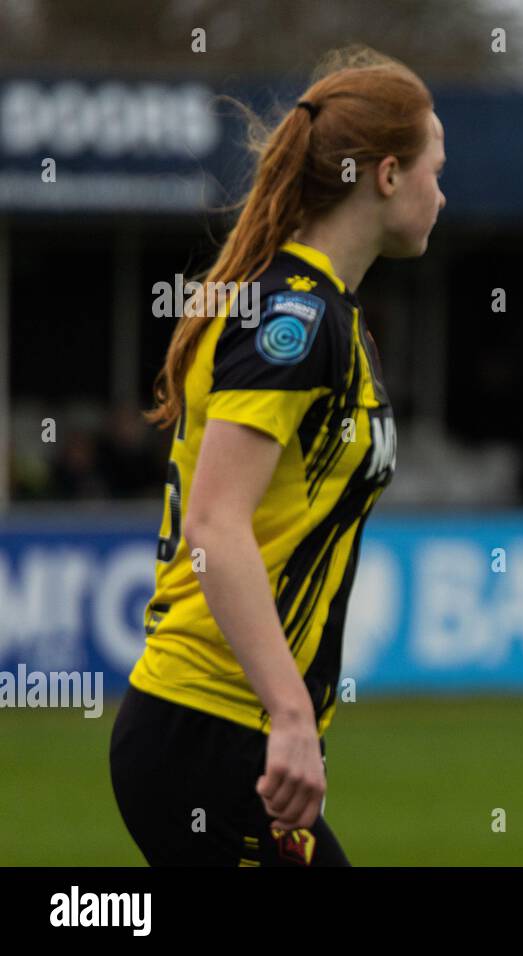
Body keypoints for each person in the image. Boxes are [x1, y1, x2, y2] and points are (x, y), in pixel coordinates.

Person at [110, 46, 446, 866]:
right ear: (389, 174)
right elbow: (216, 524)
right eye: (439, 168)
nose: (445, 192)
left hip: (222, 730)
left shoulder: (325, 311)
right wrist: (291, 714)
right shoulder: (291, 316)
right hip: (209, 728)